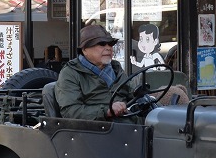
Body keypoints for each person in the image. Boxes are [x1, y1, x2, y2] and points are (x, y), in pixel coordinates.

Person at [55, 25, 187, 121]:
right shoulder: (70, 74)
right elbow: (71, 111)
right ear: (84, 49)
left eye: (111, 44)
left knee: (176, 99)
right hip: (99, 132)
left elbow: (130, 92)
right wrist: (107, 111)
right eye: (101, 44)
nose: (108, 48)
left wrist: (143, 95)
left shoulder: (114, 68)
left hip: (129, 123)